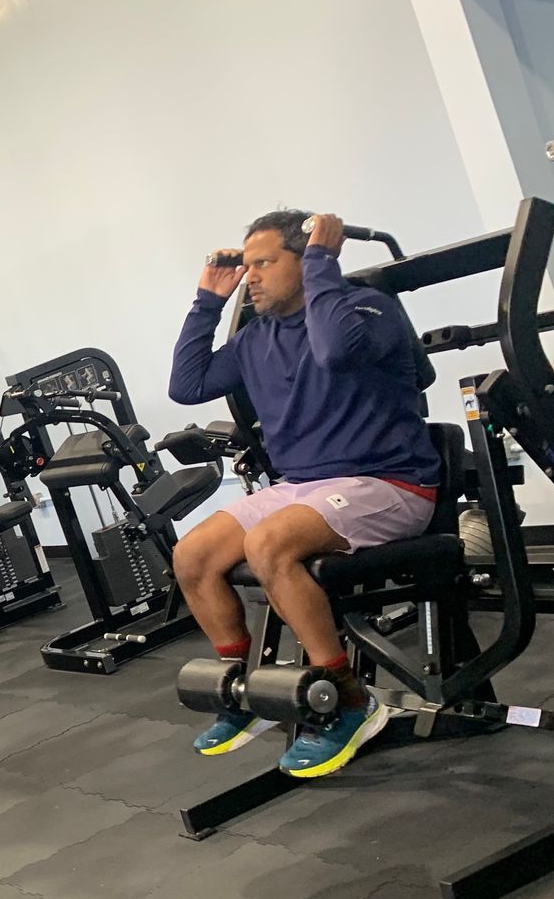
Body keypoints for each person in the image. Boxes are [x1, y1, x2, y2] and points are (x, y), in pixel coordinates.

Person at [169, 210, 440, 778]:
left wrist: (323, 261)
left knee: (270, 543)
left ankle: (347, 699)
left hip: (390, 482)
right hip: (305, 487)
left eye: (265, 263)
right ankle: (244, 692)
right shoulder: (254, 340)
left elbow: (337, 352)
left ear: (306, 258)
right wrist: (208, 303)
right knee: (192, 555)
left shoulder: (367, 309)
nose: (253, 278)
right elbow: (187, 386)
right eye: (248, 267)